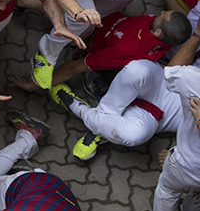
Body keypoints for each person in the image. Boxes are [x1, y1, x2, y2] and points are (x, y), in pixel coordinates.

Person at [7, 11, 192, 98]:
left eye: (163, 15)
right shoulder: (160, 33)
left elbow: (74, 70)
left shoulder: (127, 50)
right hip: (100, 26)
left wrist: (33, 85)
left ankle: (96, 80)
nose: (160, 12)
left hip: (100, 49)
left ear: (158, 33)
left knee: (78, 66)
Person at [139, 18, 200, 211]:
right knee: (197, 192)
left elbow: (172, 72)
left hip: (186, 162)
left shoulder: (194, 80)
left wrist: (196, 36)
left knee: (168, 191)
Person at [48, 59, 183, 160]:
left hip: (157, 115)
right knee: (137, 71)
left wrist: (179, 160)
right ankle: (103, 118)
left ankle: (78, 107)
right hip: (162, 81)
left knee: (134, 134)